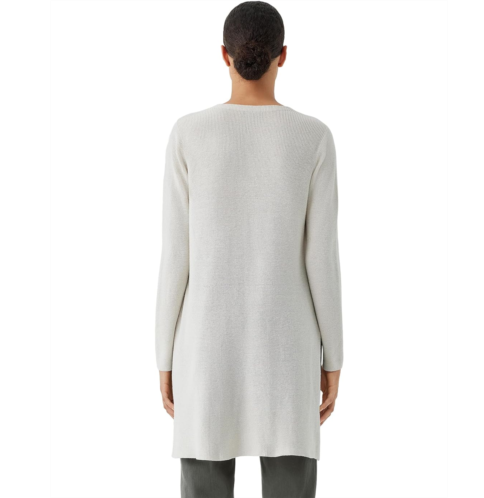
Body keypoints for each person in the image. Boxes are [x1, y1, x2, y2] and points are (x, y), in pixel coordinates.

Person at [155, 2, 343, 497]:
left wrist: (164, 356)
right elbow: (321, 260)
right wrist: (334, 357)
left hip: (203, 345)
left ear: (224, 55)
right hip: (287, 348)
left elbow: (175, 258)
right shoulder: (314, 137)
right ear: (284, 55)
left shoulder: (188, 133)